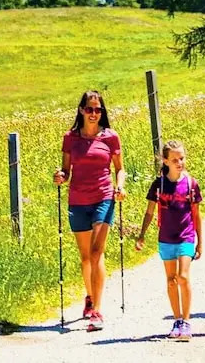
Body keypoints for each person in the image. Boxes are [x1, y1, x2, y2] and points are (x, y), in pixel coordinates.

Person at [53, 90, 126, 332]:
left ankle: (97, 310)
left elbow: (119, 169)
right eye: (89, 109)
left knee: (96, 253)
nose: (94, 113)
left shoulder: (110, 137)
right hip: (78, 200)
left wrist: (120, 186)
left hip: (103, 197)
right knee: (85, 258)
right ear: (81, 110)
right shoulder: (70, 138)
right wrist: (60, 176)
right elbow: (66, 170)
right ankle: (89, 296)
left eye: (98, 109)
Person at [134, 140, 202, 341]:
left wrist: (200, 241)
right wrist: (142, 234)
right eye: (175, 160)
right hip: (165, 238)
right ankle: (177, 320)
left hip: (186, 237)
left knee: (183, 277)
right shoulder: (159, 184)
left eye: (182, 158)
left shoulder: (191, 184)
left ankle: (187, 321)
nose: (179, 162)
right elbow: (149, 212)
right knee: (171, 281)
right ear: (165, 161)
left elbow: (196, 214)